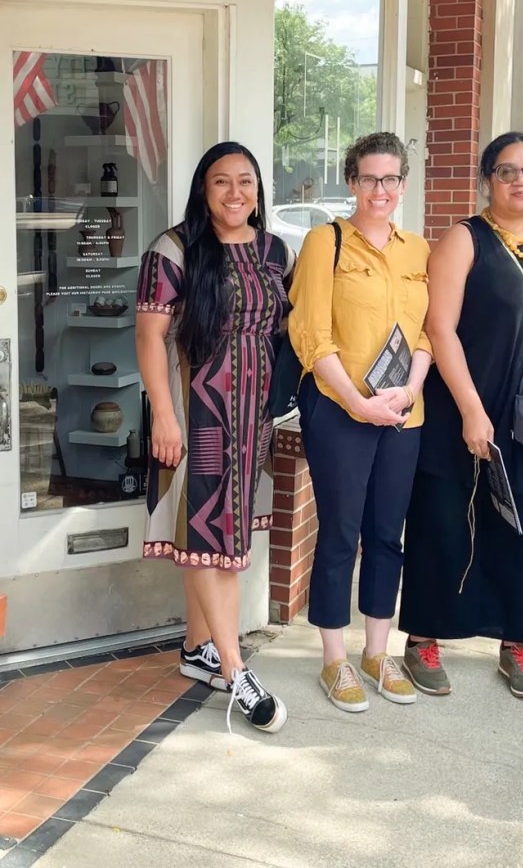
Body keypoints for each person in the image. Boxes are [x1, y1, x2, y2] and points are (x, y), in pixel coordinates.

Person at [398, 131, 523, 699]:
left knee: (520, 526)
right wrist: (474, 412)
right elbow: (440, 329)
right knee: (444, 520)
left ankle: (516, 641)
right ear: (487, 179)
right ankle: (424, 636)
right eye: (507, 171)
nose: (521, 181)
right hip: (464, 402)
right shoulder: (463, 238)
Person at [136, 141, 290, 734]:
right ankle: (235, 671)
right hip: (198, 417)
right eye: (221, 182)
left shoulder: (276, 251)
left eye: (245, 182)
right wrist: (164, 415)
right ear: (204, 189)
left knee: (218, 537)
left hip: (254, 422)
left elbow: (293, 328)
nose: (234, 194)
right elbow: (150, 337)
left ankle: (197, 648)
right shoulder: (174, 250)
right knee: (210, 541)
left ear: (258, 190)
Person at [288, 132, 432, 714]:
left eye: (391, 179)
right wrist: (356, 402)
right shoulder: (328, 243)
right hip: (341, 412)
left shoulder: (419, 250)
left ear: (402, 184)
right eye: (370, 178)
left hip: (404, 413)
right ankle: (334, 658)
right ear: (351, 182)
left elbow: (426, 333)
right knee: (341, 533)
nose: (381, 190)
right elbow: (310, 334)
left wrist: (412, 388)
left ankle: (377, 651)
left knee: (386, 534)